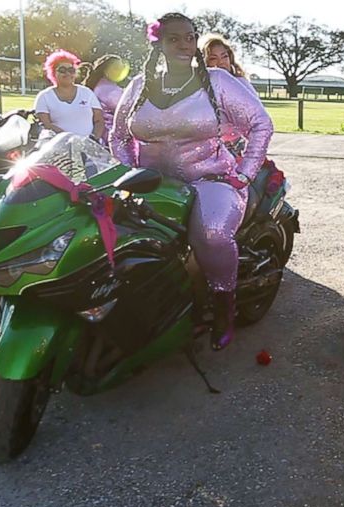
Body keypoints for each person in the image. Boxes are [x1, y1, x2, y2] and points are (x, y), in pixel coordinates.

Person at [110, 13, 273, 351]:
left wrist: (244, 173)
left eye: (190, 37)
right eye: (175, 39)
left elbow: (261, 123)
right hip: (152, 183)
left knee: (212, 233)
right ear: (158, 43)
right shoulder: (139, 85)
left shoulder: (216, 80)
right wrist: (129, 173)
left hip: (210, 179)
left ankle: (224, 304)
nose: (185, 45)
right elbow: (119, 136)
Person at [34, 50, 105, 141]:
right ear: (53, 72)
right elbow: (46, 125)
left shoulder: (87, 93)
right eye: (62, 70)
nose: (67, 74)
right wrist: (69, 140)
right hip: (57, 146)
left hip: (89, 145)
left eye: (71, 70)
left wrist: (93, 138)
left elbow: (99, 121)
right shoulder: (44, 97)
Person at [82, 55, 129, 144]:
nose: (119, 71)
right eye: (115, 68)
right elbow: (124, 106)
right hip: (110, 133)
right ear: (105, 70)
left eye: (121, 68)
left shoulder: (101, 85)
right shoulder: (106, 88)